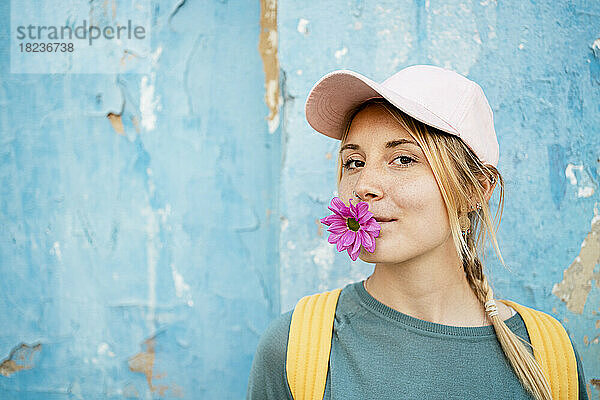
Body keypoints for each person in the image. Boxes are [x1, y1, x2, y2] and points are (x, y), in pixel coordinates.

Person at [246, 65, 588, 400]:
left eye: (403, 159)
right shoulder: (296, 346)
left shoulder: (550, 355)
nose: (364, 186)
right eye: (354, 162)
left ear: (474, 190)